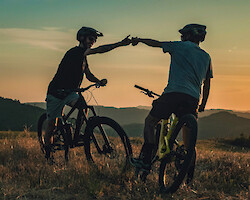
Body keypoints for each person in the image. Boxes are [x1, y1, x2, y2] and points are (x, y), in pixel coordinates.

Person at [130, 24, 213, 174]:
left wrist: (140, 40)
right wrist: (203, 104)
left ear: (188, 36)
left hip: (173, 94)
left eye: (183, 35)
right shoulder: (206, 57)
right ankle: (188, 177)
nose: (181, 37)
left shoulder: (179, 46)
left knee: (150, 122)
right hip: (193, 99)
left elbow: (156, 43)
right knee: (189, 144)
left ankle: (146, 159)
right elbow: (207, 84)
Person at [44, 26, 131, 161]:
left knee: (84, 107)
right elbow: (99, 50)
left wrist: (98, 81)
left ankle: (78, 135)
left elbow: (88, 74)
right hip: (56, 93)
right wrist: (119, 44)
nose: (93, 42)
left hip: (70, 92)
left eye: (94, 40)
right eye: (91, 39)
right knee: (51, 126)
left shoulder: (83, 57)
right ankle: (48, 155)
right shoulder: (75, 52)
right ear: (82, 38)